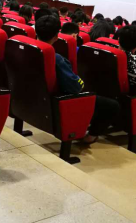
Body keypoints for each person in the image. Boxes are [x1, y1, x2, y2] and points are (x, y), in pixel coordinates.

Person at [35, 15, 119, 143]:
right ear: (56, 36)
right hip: (59, 101)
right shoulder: (55, 58)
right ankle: (90, 137)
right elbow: (76, 87)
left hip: (36, 98)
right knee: (112, 105)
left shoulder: (30, 48)